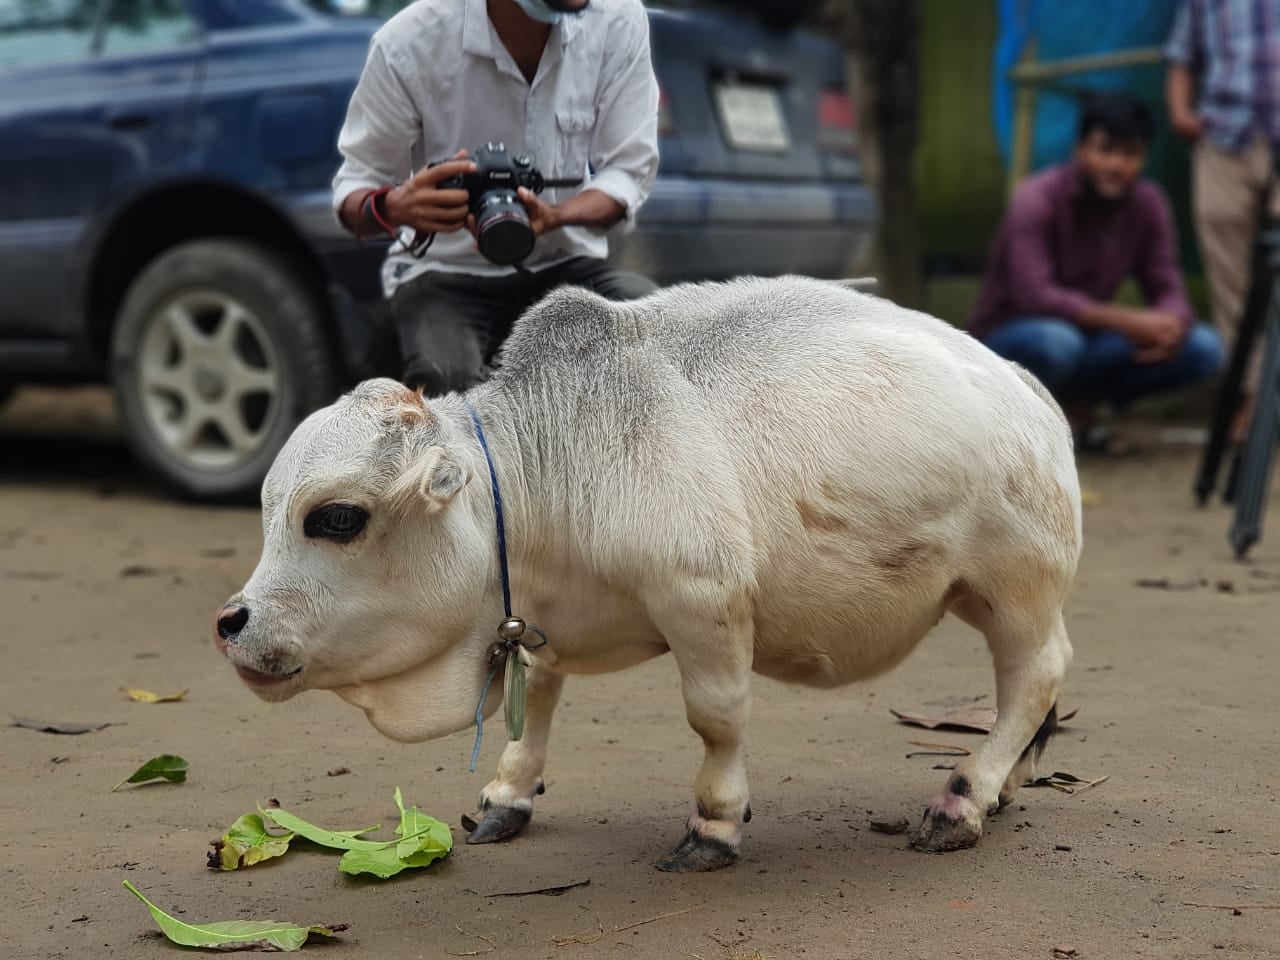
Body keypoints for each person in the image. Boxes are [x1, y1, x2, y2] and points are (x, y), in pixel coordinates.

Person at [332, 0, 661, 394]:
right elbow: (354, 189)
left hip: (565, 260)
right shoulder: (408, 43)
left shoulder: (616, 18)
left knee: (656, 334)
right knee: (447, 381)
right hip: (443, 272)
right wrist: (395, 206)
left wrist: (556, 216)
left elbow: (627, 170)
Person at [967, 91, 1223, 456]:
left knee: (1203, 347)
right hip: (1010, 338)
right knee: (1057, 342)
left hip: (1092, 342)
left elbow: (1167, 286)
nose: (1116, 165)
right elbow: (1034, 294)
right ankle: (1016, 429)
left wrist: (1170, 325)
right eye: (1105, 150)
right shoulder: (1036, 197)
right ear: (1080, 149)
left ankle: (1080, 414)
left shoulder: (1148, 203)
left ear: (1144, 156)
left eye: (1130, 153)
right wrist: (1130, 322)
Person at [1165, 0, 1280, 445]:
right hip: (1225, 137)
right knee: (1231, 278)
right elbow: (1182, 55)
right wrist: (1180, 111)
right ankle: (1251, 399)